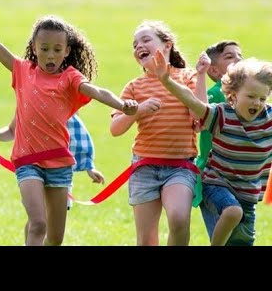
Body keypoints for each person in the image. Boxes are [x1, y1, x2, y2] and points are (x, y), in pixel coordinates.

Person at [0, 0, 137, 246]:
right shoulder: (23, 71)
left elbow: (95, 90)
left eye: (57, 49)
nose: (50, 55)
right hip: (27, 162)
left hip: (59, 163)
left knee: (55, 239)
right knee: (37, 224)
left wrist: (121, 104)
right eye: (44, 49)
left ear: (66, 51)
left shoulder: (70, 77)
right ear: (34, 48)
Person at [152, 52, 272, 246]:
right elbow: (192, 102)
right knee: (233, 211)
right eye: (250, 96)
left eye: (262, 98)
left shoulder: (269, 119)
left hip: (248, 194)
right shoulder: (222, 114)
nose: (257, 103)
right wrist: (167, 82)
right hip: (217, 184)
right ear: (233, 95)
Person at [110, 20, 208, 246]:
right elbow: (116, 129)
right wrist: (138, 111)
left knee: (179, 218)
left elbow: (201, 118)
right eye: (135, 44)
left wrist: (201, 76)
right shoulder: (135, 86)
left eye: (145, 40)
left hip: (180, 167)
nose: (138, 47)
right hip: (144, 167)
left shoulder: (187, 77)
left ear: (167, 45)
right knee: (146, 239)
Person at [0, 112, 105, 243]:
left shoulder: (63, 108)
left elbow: (79, 140)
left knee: (54, 236)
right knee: (37, 220)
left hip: (58, 171)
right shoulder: (27, 100)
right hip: (31, 168)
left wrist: (89, 167)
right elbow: (11, 130)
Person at [193, 41, 243, 242]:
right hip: (213, 175)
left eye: (240, 55)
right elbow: (201, 111)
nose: (238, 59)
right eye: (230, 57)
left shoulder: (251, 95)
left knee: (240, 238)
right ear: (214, 70)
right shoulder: (215, 93)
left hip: (241, 175)